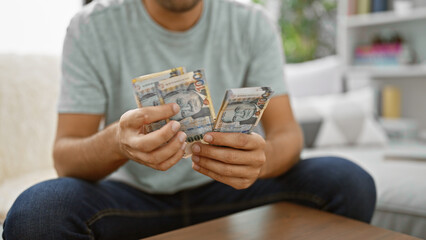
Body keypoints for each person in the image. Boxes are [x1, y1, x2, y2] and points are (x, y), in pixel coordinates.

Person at [3, 0, 376, 239]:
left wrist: (260, 163)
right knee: (36, 214)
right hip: (131, 199)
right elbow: (64, 157)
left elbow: (286, 134)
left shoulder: (252, 22)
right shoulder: (90, 26)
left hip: (230, 192)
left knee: (348, 181)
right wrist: (118, 140)